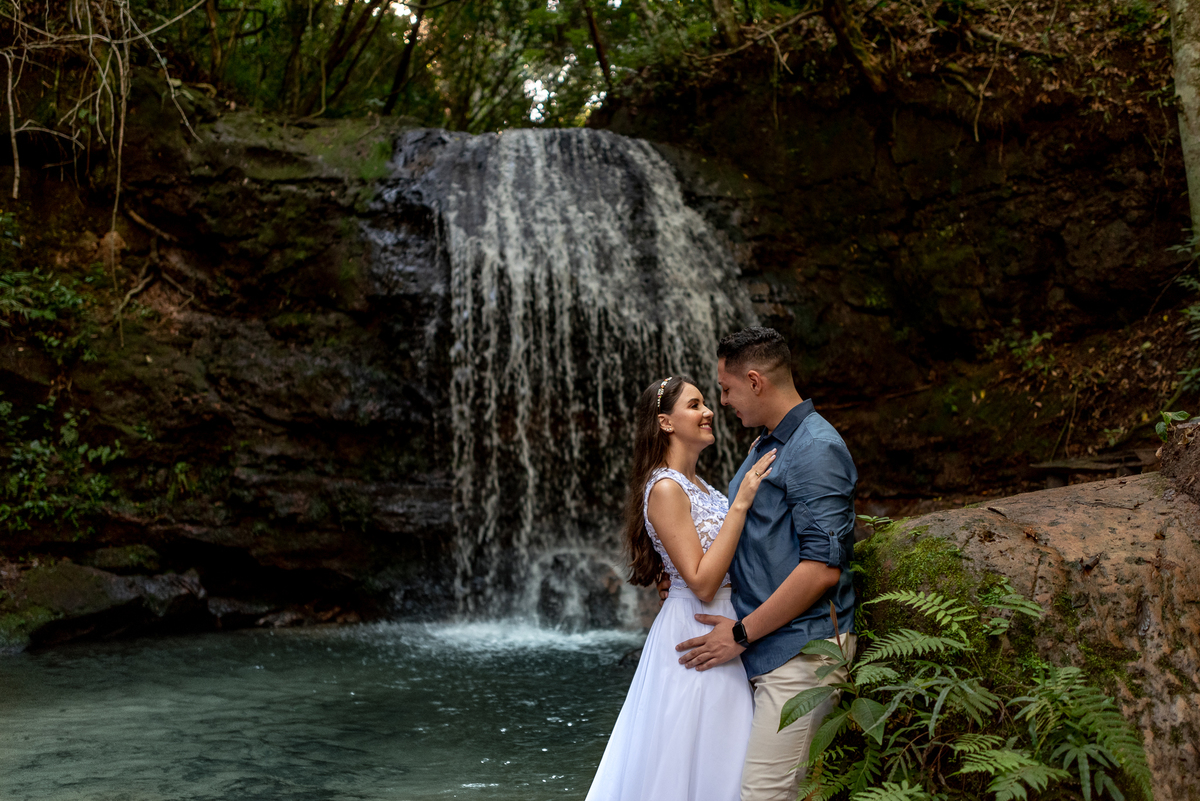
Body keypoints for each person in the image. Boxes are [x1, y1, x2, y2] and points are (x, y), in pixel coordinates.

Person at [674, 327, 859, 801]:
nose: (722, 401)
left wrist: (739, 634)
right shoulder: (766, 444)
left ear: (755, 381)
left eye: (726, 388)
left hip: (803, 653)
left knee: (764, 794)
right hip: (769, 648)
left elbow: (822, 569)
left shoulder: (816, 449)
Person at [585, 374, 778, 801]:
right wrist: (742, 502)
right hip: (694, 630)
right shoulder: (667, 488)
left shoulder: (704, 487)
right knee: (688, 759)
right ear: (665, 422)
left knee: (721, 758)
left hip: (722, 627)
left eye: (706, 402)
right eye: (694, 405)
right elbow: (705, 582)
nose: (708, 411)